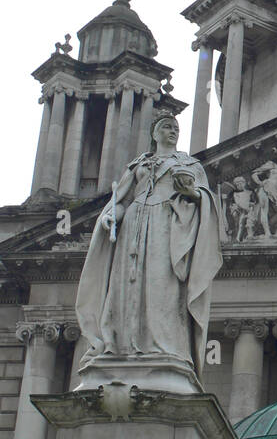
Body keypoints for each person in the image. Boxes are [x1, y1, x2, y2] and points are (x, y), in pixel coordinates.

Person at [75, 114, 221, 379]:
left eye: (176, 128)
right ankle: (123, 343)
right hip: (134, 224)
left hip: (168, 227)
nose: (173, 131)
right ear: (154, 133)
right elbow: (122, 199)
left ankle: (165, 347)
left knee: (162, 285)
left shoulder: (189, 164)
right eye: (167, 127)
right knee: (128, 285)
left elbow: (205, 198)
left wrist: (191, 193)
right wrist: (110, 216)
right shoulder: (138, 164)